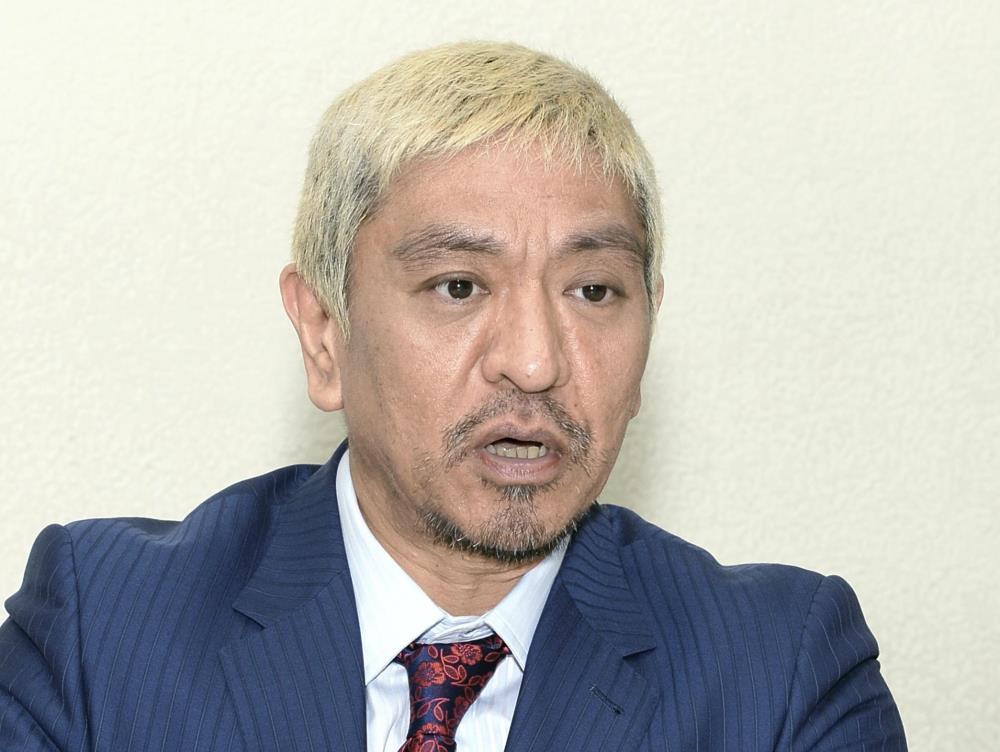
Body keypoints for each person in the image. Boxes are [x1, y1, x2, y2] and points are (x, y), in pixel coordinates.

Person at [0, 41, 906, 751]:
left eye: (594, 291)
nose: (535, 362)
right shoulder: (105, 631)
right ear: (324, 333)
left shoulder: (779, 674)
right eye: (459, 287)